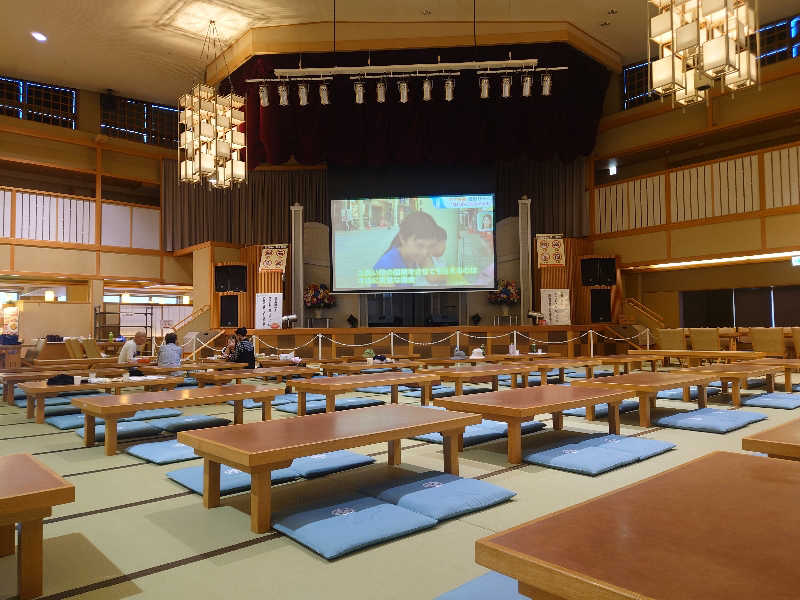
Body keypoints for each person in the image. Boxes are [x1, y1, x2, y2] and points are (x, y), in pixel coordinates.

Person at [373, 211, 447, 271]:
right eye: (420, 245)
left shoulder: (419, 256)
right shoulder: (386, 267)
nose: (425, 253)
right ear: (402, 238)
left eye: (430, 246)